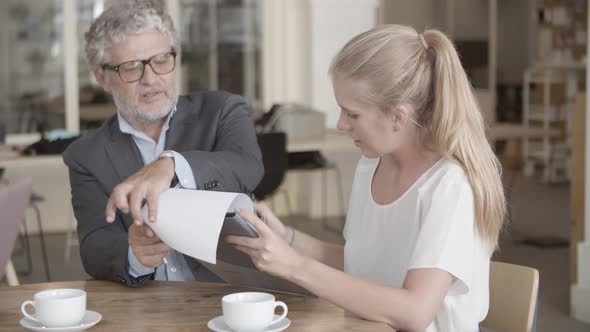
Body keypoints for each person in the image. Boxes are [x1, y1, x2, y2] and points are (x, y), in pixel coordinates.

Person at [225, 24, 506, 332]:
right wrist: (286, 238)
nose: (341, 124)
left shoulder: (450, 187)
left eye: (352, 114)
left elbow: (415, 312)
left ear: (398, 116)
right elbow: (364, 263)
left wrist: (294, 266)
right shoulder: (370, 166)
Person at [63, 0, 263, 287]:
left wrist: (172, 165)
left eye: (160, 60)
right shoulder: (85, 155)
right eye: (131, 68)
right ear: (102, 78)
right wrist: (133, 253)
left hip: (227, 296)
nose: (151, 78)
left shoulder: (222, 111)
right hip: (144, 308)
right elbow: (94, 246)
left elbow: (247, 167)